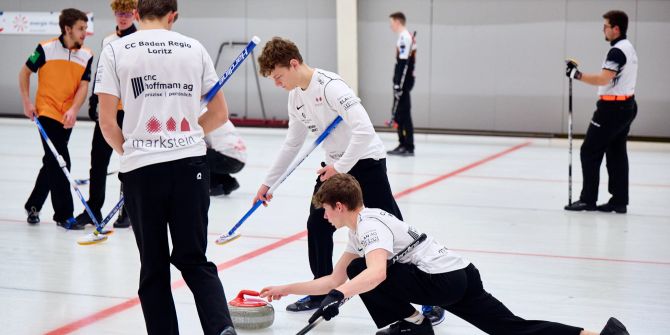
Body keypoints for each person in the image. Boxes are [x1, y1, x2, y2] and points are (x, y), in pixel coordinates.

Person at [260, 173, 631, 335]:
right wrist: (284, 288)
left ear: (340, 206)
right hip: (462, 274)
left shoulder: (370, 228)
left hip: (440, 280)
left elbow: (372, 276)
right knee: (509, 327)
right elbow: (333, 280)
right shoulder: (361, 227)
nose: (323, 217)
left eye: (325, 210)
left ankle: (413, 327)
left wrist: (341, 296)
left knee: (365, 270)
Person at [254, 36, 444, 325]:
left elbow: (364, 131)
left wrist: (340, 167)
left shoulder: (331, 86)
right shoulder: (296, 97)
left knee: (393, 228)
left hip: (365, 163)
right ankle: (322, 289)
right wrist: (268, 183)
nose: (277, 83)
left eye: (279, 76)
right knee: (317, 223)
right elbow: (292, 144)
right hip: (335, 168)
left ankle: (431, 299)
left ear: (293, 64)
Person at [95, 0, 235, 334]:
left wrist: (131, 151)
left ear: (138, 14)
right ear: (173, 15)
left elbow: (106, 120)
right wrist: (187, 135)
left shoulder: (115, 50)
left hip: (142, 170)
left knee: (154, 268)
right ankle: (221, 329)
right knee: (194, 260)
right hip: (191, 166)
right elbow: (219, 114)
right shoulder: (194, 48)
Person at [19, 8, 93, 229]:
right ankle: (64, 216)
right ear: (67, 28)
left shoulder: (87, 55)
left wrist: (73, 109)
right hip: (46, 112)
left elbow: (83, 86)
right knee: (62, 161)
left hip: (66, 116)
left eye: (86, 28)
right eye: (81, 28)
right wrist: (26, 102)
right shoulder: (44, 49)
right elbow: (24, 73)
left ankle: (33, 204)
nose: (84, 33)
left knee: (52, 161)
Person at [564, 10, 637, 214]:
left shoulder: (617, 52)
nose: (603, 30)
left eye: (606, 26)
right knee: (616, 152)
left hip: (612, 109)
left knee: (589, 151)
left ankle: (588, 199)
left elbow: (604, 79)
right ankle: (619, 200)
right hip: (626, 106)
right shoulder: (628, 47)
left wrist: (576, 74)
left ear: (616, 28)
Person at [74, 0, 138, 229]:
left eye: (128, 13)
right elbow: (102, 71)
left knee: (128, 161)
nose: (123, 17)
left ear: (135, 14)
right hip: (109, 110)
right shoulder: (108, 40)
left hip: (130, 111)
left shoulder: (139, 40)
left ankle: (128, 209)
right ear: (115, 14)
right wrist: (94, 99)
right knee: (98, 162)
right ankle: (94, 209)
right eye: (120, 13)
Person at [387, 12, 416, 157]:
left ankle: (408, 146)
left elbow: (403, 64)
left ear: (398, 21)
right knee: (399, 113)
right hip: (402, 81)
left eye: (391, 22)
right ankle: (403, 143)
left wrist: (398, 83)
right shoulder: (403, 37)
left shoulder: (405, 37)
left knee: (403, 113)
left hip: (403, 82)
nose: (390, 25)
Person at [205, 120, 246, 196]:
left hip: (226, 158)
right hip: (240, 159)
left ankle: (213, 185)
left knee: (194, 153)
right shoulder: (215, 111)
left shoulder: (198, 115)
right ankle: (227, 183)